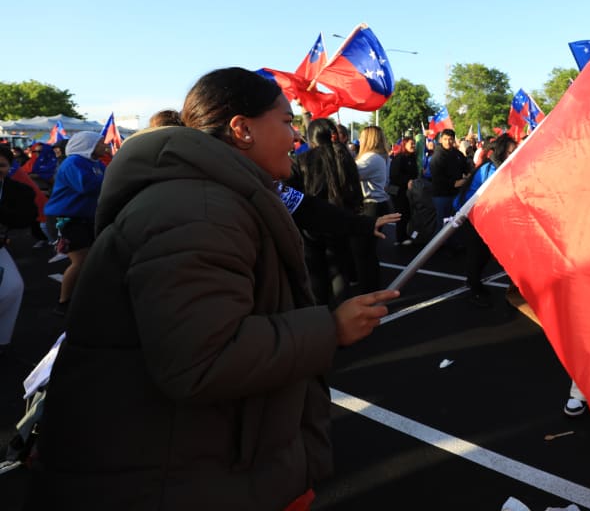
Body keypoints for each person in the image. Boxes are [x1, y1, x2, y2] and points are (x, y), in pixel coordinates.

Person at [27, 67, 399, 509]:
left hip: (185, 459)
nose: (295, 138)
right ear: (241, 129)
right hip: (168, 473)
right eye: (285, 122)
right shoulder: (198, 207)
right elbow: (202, 359)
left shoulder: (219, 193)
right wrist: (330, 328)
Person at [287, 118, 365, 307]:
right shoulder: (345, 157)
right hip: (341, 224)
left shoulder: (302, 160)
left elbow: (293, 197)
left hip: (310, 228)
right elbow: (355, 193)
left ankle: (321, 319)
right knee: (340, 274)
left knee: (316, 276)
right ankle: (345, 316)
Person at [42, 131, 107, 315]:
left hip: (84, 218)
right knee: (80, 261)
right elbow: (86, 186)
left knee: (90, 260)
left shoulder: (98, 164)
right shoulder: (73, 162)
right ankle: (63, 303)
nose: (105, 145)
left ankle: (82, 297)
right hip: (65, 219)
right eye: (101, 143)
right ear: (90, 145)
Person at [453, 133, 517, 307]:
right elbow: (488, 196)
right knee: (477, 253)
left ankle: (475, 283)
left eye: (515, 150)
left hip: (486, 217)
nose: (514, 154)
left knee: (484, 254)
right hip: (470, 217)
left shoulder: (503, 167)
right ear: (502, 151)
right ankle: (474, 289)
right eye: (511, 151)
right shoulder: (489, 169)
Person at [0, 145, 38, 354]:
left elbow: (25, 217)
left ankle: (2, 340)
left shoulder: (18, 190)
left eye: (2, 165)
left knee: (13, 288)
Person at [352, 126, 392, 293]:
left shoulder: (371, 158)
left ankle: (367, 289)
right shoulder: (382, 157)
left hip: (371, 206)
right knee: (369, 250)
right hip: (378, 204)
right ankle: (371, 286)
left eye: (362, 137)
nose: (360, 140)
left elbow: (350, 174)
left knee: (362, 251)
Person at [430, 128, 470, 223]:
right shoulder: (437, 156)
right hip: (442, 196)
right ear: (441, 140)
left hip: (456, 194)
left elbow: (466, 167)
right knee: (443, 225)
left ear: (453, 139)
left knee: (455, 224)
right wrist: (454, 183)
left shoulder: (458, 154)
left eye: (450, 139)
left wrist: (469, 174)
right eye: (445, 139)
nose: (448, 142)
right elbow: (437, 177)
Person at [387, 133, 418, 245]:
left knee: (407, 213)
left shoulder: (412, 157)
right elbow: (394, 175)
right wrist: (407, 181)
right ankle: (400, 238)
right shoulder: (399, 158)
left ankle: (405, 235)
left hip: (408, 191)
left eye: (414, 143)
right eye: (411, 143)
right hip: (398, 191)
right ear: (404, 145)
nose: (413, 145)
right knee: (401, 213)